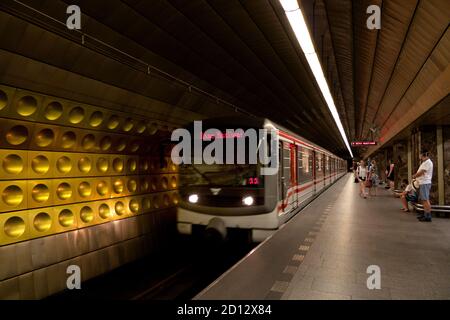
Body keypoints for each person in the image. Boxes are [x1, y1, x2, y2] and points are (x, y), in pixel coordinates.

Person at [413, 150, 434, 222]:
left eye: (420, 154)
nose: (419, 156)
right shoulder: (425, 162)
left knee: (425, 199)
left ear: (423, 155)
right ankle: (425, 214)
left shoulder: (428, 162)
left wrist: (414, 176)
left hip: (425, 182)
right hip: (422, 182)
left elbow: (422, 172)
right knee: (424, 199)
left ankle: (428, 216)